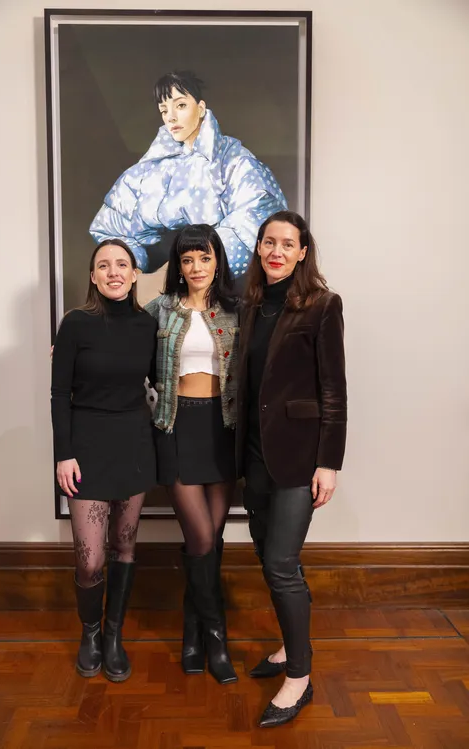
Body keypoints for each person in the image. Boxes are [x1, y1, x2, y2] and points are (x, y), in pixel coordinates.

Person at [236, 210, 347, 727]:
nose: (276, 251)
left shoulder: (323, 305)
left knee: (282, 562)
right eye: (268, 242)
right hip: (254, 454)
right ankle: (290, 645)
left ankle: (299, 677)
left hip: (300, 456)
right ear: (259, 248)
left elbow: (333, 390)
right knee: (269, 557)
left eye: (287, 243)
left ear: (303, 252)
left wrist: (329, 462)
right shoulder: (251, 304)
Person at [51, 239, 157, 683]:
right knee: (91, 559)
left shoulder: (148, 325)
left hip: (134, 445)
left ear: (134, 274)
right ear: (93, 276)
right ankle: (90, 633)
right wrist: (63, 454)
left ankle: (113, 635)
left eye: (122, 264)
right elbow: (59, 394)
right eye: (104, 265)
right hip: (87, 449)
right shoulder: (75, 323)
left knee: (125, 547)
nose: (114, 272)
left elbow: (161, 381)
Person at [145, 223, 239, 685]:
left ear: (217, 260)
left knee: (212, 541)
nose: (196, 267)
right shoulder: (159, 310)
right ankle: (216, 638)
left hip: (223, 430)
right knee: (200, 539)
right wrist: (72, 348)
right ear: (178, 267)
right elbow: (118, 338)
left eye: (204, 257)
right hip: (177, 425)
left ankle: (193, 631)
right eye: (187, 260)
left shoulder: (237, 312)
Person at [90, 70, 287, 277]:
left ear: (200, 108)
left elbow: (253, 222)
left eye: (181, 105)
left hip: (221, 283)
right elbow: (109, 226)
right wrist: (138, 268)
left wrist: (192, 265)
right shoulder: (147, 169)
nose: (171, 117)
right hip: (162, 283)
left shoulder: (234, 160)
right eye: (164, 110)